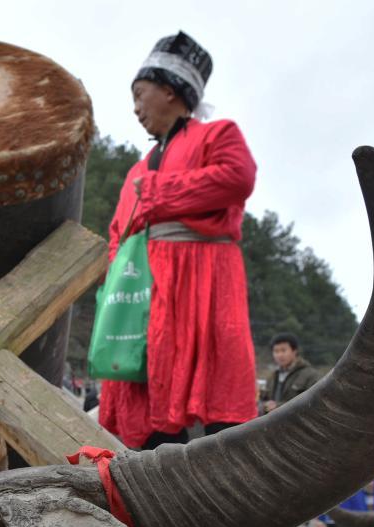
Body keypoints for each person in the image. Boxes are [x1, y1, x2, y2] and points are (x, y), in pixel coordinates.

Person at [98, 31, 258, 449]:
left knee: (211, 379)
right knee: (144, 386)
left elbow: (237, 177)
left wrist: (156, 196)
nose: (134, 108)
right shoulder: (136, 167)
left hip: (202, 282)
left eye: (139, 94)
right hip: (141, 293)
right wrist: (119, 278)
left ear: (169, 90)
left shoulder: (217, 135)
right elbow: (119, 231)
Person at [262, 333, 321, 413]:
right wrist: (265, 406)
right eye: (276, 351)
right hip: (273, 424)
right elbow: (262, 401)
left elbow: (315, 403)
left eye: (283, 350)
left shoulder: (310, 375)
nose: (280, 355)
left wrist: (278, 406)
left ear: (294, 351)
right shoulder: (271, 377)